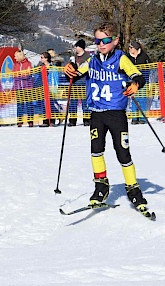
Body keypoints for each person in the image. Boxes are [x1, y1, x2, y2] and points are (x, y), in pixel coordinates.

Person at [64, 21, 152, 217]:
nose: (101, 44)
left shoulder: (121, 59)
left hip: (115, 114)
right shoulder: (93, 59)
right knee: (96, 151)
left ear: (115, 40)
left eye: (105, 40)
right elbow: (76, 74)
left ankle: (133, 189)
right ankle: (101, 186)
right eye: (97, 40)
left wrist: (136, 84)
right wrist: (69, 70)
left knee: (123, 153)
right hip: (96, 113)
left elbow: (138, 76)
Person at [126, 41, 152, 124]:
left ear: (136, 48)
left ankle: (142, 118)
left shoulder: (144, 56)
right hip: (132, 82)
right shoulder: (127, 57)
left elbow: (150, 66)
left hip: (143, 81)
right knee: (134, 99)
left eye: (131, 47)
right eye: (129, 48)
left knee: (142, 99)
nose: (130, 49)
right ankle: (134, 118)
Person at [69, 39, 91, 127]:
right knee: (73, 102)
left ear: (81, 47)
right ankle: (72, 120)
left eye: (77, 46)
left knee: (85, 102)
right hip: (74, 83)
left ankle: (87, 119)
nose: (75, 48)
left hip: (84, 82)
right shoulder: (73, 57)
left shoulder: (87, 57)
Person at [12, 50, 34, 127]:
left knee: (28, 104)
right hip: (18, 87)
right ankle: (19, 121)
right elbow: (14, 75)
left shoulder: (28, 64)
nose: (15, 58)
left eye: (16, 56)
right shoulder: (15, 65)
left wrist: (20, 75)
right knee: (20, 105)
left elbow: (27, 75)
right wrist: (21, 74)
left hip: (27, 87)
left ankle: (30, 121)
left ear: (20, 56)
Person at [39, 51, 61, 127]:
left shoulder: (53, 67)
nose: (41, 59)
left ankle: (52, 120)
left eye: (42, 57)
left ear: (46, 58)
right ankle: (45, 121)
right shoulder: (41, 67)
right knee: (44, 105)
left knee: (51, 105)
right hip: (43, 89)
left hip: (51, 89)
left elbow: (55, 79)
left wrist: (54, 89)